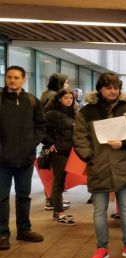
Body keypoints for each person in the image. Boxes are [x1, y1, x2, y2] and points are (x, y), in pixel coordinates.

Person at [73, 72, 126, 258]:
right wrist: (90, 157)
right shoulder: (87, 111)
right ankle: (102, 248)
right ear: (100, 89)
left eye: (116, 87)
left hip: (123, 164)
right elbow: (80, 137)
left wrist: (124, 143)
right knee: (99, 211)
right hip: (99, 167)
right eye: (108, 87)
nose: (113, 91)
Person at [0, 65, 47, 250]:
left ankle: (24, 230)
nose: (12, 80)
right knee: (1, 197)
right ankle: (2, 234)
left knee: (23, 196)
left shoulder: (32, 101)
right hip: (2, 160)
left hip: (26, 159)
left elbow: (41, 125)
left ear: (23, 80)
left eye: (16, 77)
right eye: (9, 77)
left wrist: (31, 143)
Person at [42, 88, 77, 225]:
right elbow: (42, 130)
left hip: (69, 151)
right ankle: (60, 213)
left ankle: (58, 211)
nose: (69, 100)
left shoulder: (71, 113)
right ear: (59, 99)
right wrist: (49, 144)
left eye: (71, 98)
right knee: (58, 182)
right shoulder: (52, 114)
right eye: (66, 98)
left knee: (61, 182)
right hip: (59, 152)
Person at [40, 73, 71, 211]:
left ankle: (54, 201)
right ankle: (54, 204)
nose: (68, 85)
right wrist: (51, 143)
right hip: (57, 146)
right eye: (66, 82)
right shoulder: (52, 100)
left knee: (56, 177)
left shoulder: (47, 94)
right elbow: (44, 126)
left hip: (59, 144)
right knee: (57, 178)